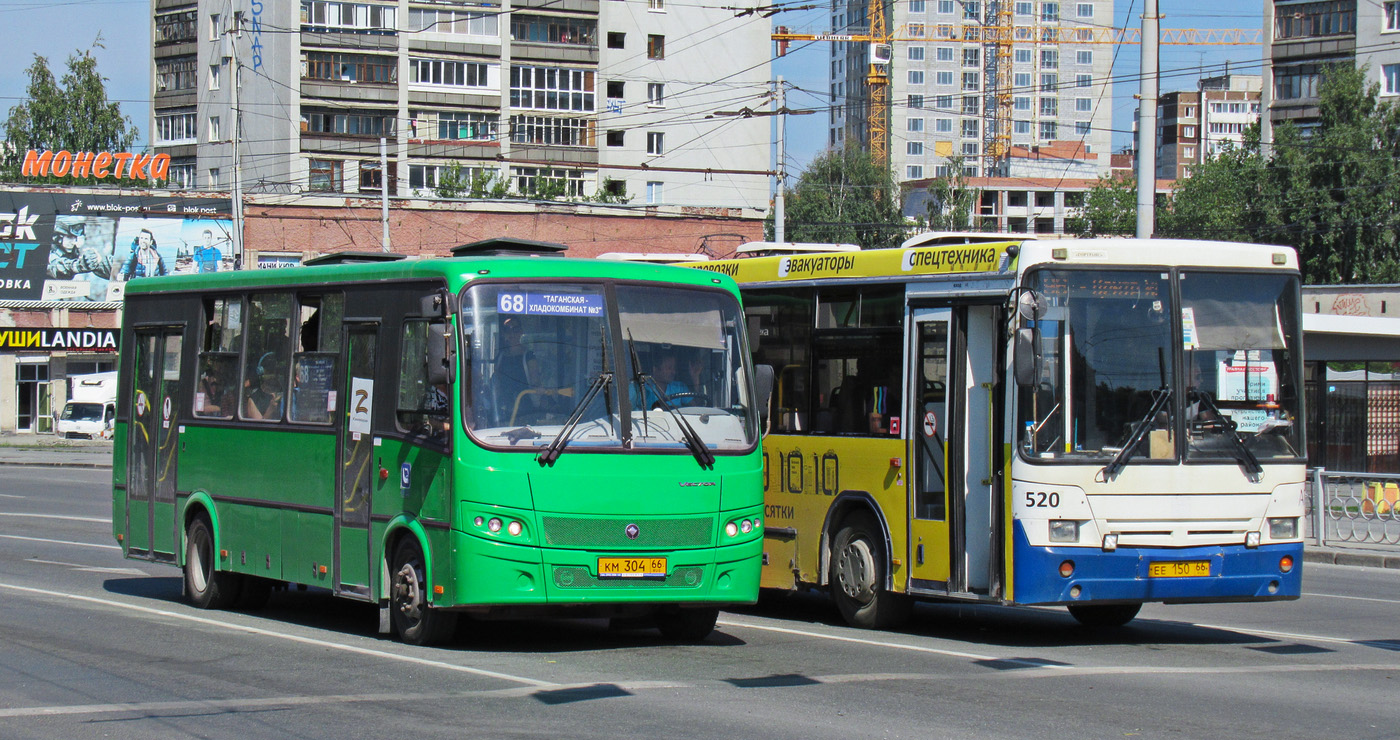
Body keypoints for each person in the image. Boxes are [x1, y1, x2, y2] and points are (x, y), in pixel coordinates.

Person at [46, 219, 113, 300]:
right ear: (58, 237)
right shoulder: (48, 252)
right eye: (70, 237)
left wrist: (97, 262)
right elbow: (57, 266)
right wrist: (79, 266)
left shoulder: (74, 251)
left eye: (76, 238)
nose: (74, 242)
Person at [244, 353, 285, 420]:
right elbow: (258, 428)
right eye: (270, 372)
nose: (273, 375)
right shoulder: (253, 400)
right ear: (261, 372)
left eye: (275, 371)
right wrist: (270, 409)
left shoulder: (286, 393)